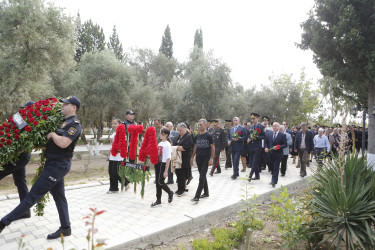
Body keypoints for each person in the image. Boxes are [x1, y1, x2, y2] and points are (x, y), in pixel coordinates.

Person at [0, 96, 82, 239]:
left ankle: (3, 223)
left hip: (58, 166)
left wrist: (52, 134)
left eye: (66, 104)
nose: (62, 106)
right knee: (59, 196)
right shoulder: (63, 122)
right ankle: (66, 228)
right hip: (54, 164)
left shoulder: (74, 125)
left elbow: (63, 143)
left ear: (73, 107)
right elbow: (52, 142)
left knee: (32, 196)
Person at [0, 101, 35, 220]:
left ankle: (25, 210)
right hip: (19, 157)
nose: (22, 110)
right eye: (22, 109)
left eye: (25, 109)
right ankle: (25, 211)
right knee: (20, 181)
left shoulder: (29, 123)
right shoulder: (20, 120)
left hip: (19, 157)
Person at [190, 119, 214, 202]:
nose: (199, 126)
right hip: (198, 158)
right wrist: (192, 157)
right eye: (198, 125)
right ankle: (206, 192)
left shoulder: (209, 136)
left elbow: (213, 147)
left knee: (201, 177)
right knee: (202, 175)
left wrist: (211, 159)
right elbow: (195, 147)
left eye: (201, 125)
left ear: (205, 125)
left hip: (206, 158)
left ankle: (197, 196)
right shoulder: (197, 136)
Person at [151, 128, 174, 207]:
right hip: (158, 163)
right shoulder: (160, 143)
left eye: (161, 133)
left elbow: (168, 159)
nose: (159, 134)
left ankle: (170, 192)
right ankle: (158, 200)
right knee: (157, 183)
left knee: (160, 182)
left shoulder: (167, 145)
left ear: (166, 135)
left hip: (163, 164)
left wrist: (166, 171)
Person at [107, 119, 129, 194]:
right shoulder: (113, 134)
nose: (114, 125)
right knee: (111, 172)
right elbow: (111, 145)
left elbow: (124, 144)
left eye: (115, 124)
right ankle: (114, 188)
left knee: (116, 172)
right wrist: (109, 154)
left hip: (119, 156)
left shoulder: (122, 133)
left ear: (120, 125)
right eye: (113, 124)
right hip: (112, 156)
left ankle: (126, 182)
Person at [173, 123, 193, 197]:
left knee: (182, 174)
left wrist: (176, 148)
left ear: (184, 129)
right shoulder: (178, 136)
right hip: (178, 158)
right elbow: (174, 143)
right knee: (178, 173)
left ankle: (182, 189)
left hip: (185, 158)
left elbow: (185, 147)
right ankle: (179, 188)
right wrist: (177, 147)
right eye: (178, 130)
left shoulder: (188, 137)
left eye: (180, 130)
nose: (179, 131)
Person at [264, 122, 287, 187]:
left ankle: (274, 181)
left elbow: (285, 144)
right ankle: (273, 174)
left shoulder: (282, 135)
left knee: (276, 167)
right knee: (271, 167)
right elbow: (266, 142)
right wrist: (265, 147)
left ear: (278, 127)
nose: (274, 127)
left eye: (275, 126)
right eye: (273, 126)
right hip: (269, 154)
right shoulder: (269, 134)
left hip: (278, 154)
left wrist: (278, 147)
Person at [247, 113, 265, 182]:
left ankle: (250, 175)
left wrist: (256, 137)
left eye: (254, 118)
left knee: (254, 162)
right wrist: (248, 139)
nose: (252, 120)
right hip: (251, 146)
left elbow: (264, 136)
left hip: (257, 146)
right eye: (252, 119)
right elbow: (249, 135)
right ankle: (257, 176)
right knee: (255, 162)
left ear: (257, 118)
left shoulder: (261, 126)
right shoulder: (251, 127)